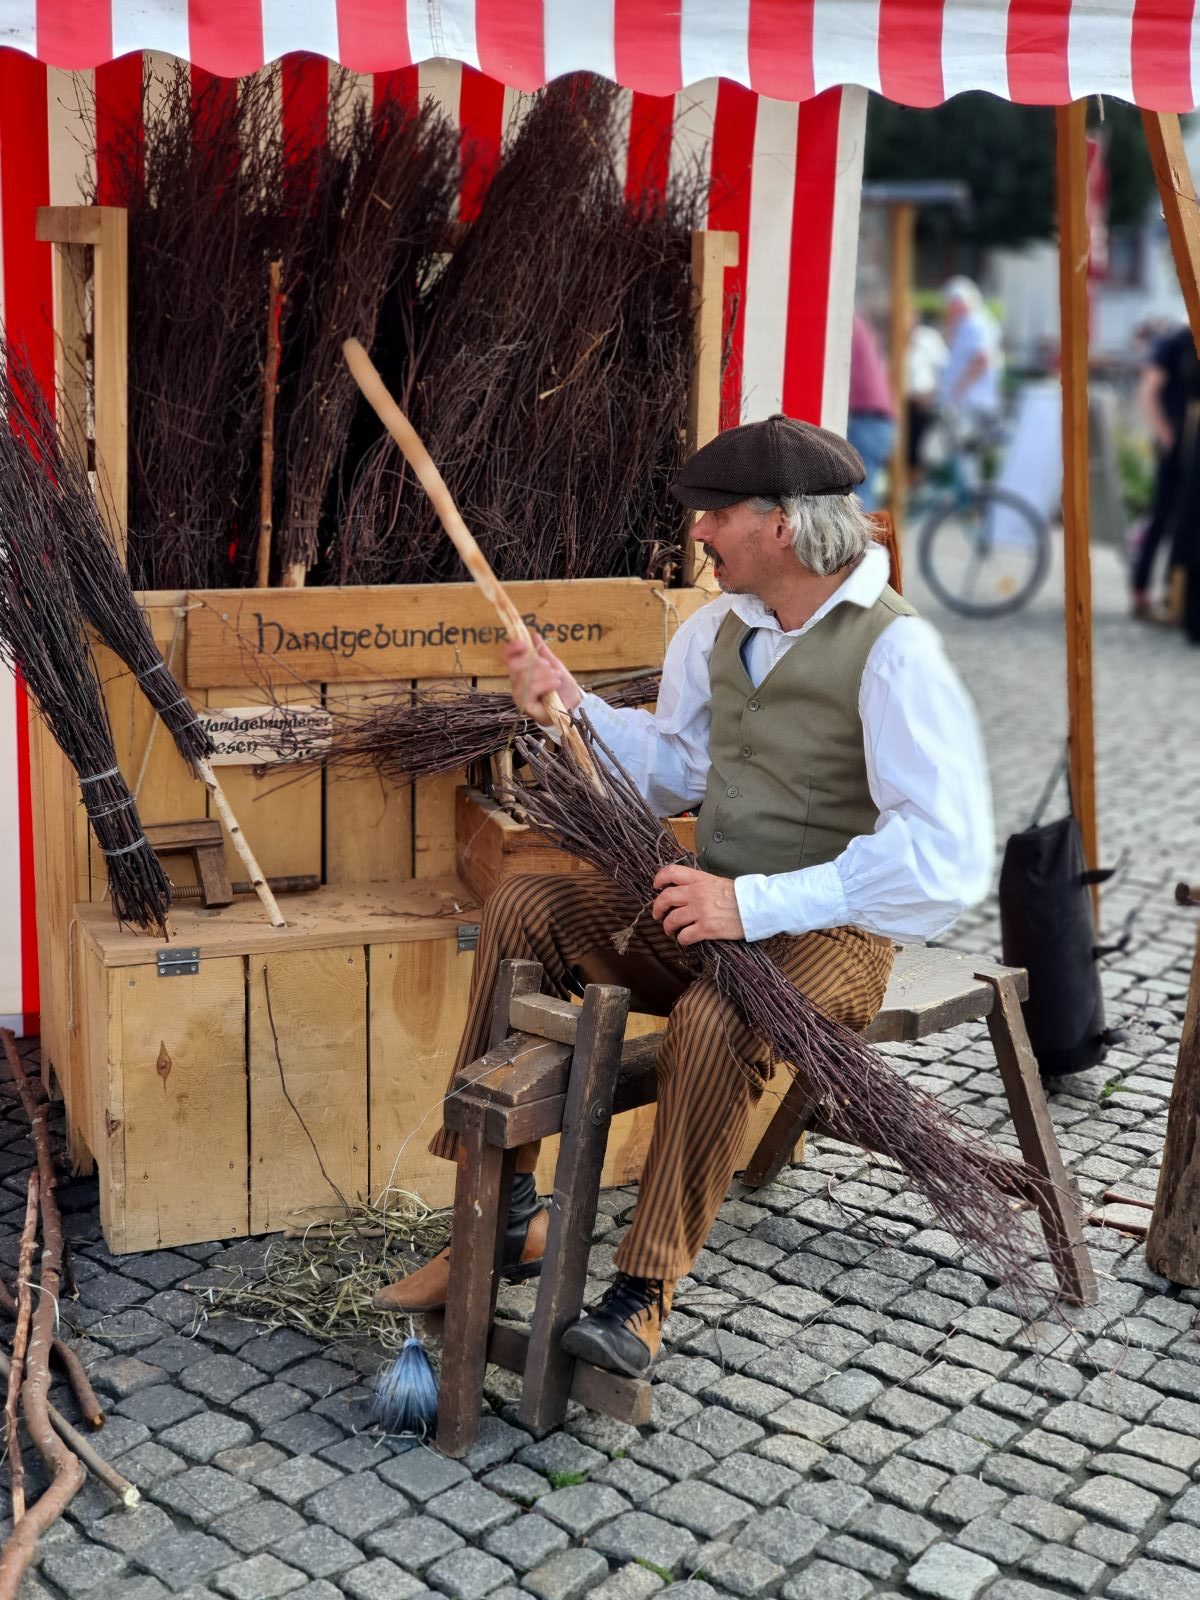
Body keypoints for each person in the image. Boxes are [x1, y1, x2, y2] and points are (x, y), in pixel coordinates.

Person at [374, 414, 994, 1378]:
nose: (696, 533)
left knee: (713, 1017)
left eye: (714, 515)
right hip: (706, 907)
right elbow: (672, 772)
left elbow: (946, 856)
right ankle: (502, 1216)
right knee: (525, 901)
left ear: (781, 524)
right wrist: (574, 706)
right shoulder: (715, 630)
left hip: (831, 932)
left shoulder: (894, 654)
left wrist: (753, 908)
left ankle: (643, 1290)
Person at [1131, 319, 1199, 620]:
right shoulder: (1175, 342)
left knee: (1187, 526)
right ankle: (1141, 591)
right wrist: (1166, 435)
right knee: (1161, 518)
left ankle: (1176, 595)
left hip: (1193, 451)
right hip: (1175, 448)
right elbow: (1148, 392)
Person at [936, 276, 1002, 436]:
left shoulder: (975, 323)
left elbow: (982, 358)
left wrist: (957, 390)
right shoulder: (969, 323)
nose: (948, 309)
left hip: (971, 404)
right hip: (968, 403)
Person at [846, 311, 896, 512]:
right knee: (861, 495)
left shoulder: (844, 320)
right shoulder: (858, 321)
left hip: (866, 419)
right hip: (877, 420)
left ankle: (862, 544)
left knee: (858, 500)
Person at [906, 310, 948, 481]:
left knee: (919, 452)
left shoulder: (929, 338)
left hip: (924, 403)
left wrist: (933, 393)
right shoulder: (895, 341)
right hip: (904, 404)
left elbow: (945, 368)